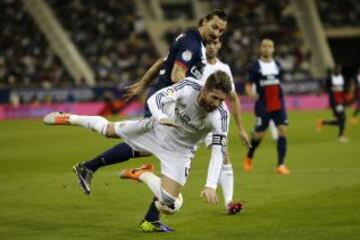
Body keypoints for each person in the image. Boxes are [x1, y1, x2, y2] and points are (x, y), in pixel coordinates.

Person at [44, 71, 233, 232]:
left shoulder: (221, 115)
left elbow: (218, 151)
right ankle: (70, 118)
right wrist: (160, 117)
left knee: (169, 204)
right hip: (157, 129)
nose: (217, 103)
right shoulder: (189, 86)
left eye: (221, 100)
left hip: (180, 152)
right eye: (214, 97)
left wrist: (210, 185)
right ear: (205, 90)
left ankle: (142, 174)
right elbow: (155, 99)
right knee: (108, 131)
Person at [201, 37, 247, 213]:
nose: (211, 46)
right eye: (208, 43)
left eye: (215, 43)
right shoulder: (197, 65)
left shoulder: (224, 68)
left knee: (223, 153)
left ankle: (229, 202)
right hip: (191, 119)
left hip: (214, 120)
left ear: (220, 45)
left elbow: (234, 98)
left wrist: (240, 128)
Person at [243, 39, 290, 175]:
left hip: (279, 103)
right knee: (259, 135)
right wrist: (250, 93)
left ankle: (281, 164)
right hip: (263, 104)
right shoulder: (255, 66)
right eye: (264, 46)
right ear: (260, 48)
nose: (266, 48)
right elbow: (248, 84)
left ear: (273, 49)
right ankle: (250, 155)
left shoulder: (278, 65)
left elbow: (278, 82)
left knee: (282, 130)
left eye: (269, 46)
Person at [317, 65, 349, 142]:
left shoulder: (342, 78)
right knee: (342, 118)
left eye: (339, 69)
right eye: (336, 69)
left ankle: (322, 123)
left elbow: (344, 89)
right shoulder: (330, 78)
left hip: (340, 101)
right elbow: (325, 86)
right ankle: (340, 136)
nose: (338, 71)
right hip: (334, 101)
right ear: (334, 70)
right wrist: (321, 91)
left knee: (341, 120)